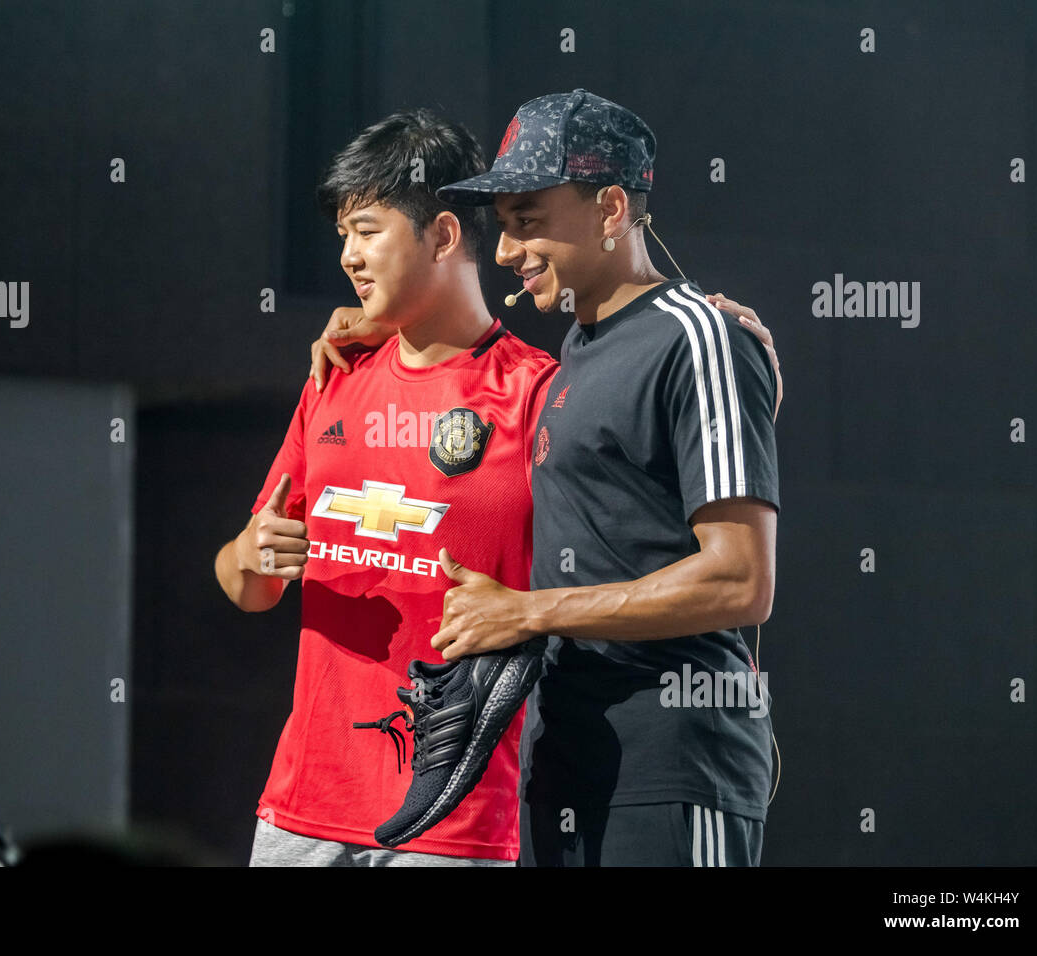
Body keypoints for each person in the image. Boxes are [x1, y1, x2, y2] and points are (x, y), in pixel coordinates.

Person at [312, 89, 782, 866]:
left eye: (527, 221)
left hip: (673, 767)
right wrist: (376, 322)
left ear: (609, 210)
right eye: (502, 226)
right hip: (564, 767)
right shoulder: (577, 353)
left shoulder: (699, 338)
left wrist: (528, 613)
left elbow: (741, 581)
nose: (504, 250)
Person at [214, 108, 556, 865]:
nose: (348, 256)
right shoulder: (333, 377)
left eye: (367, 230)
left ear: (441, 234)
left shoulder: (539, 396)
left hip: (455, 823)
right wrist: (250, 552)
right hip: (302, 813)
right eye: (343, 236)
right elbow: (246, 586)